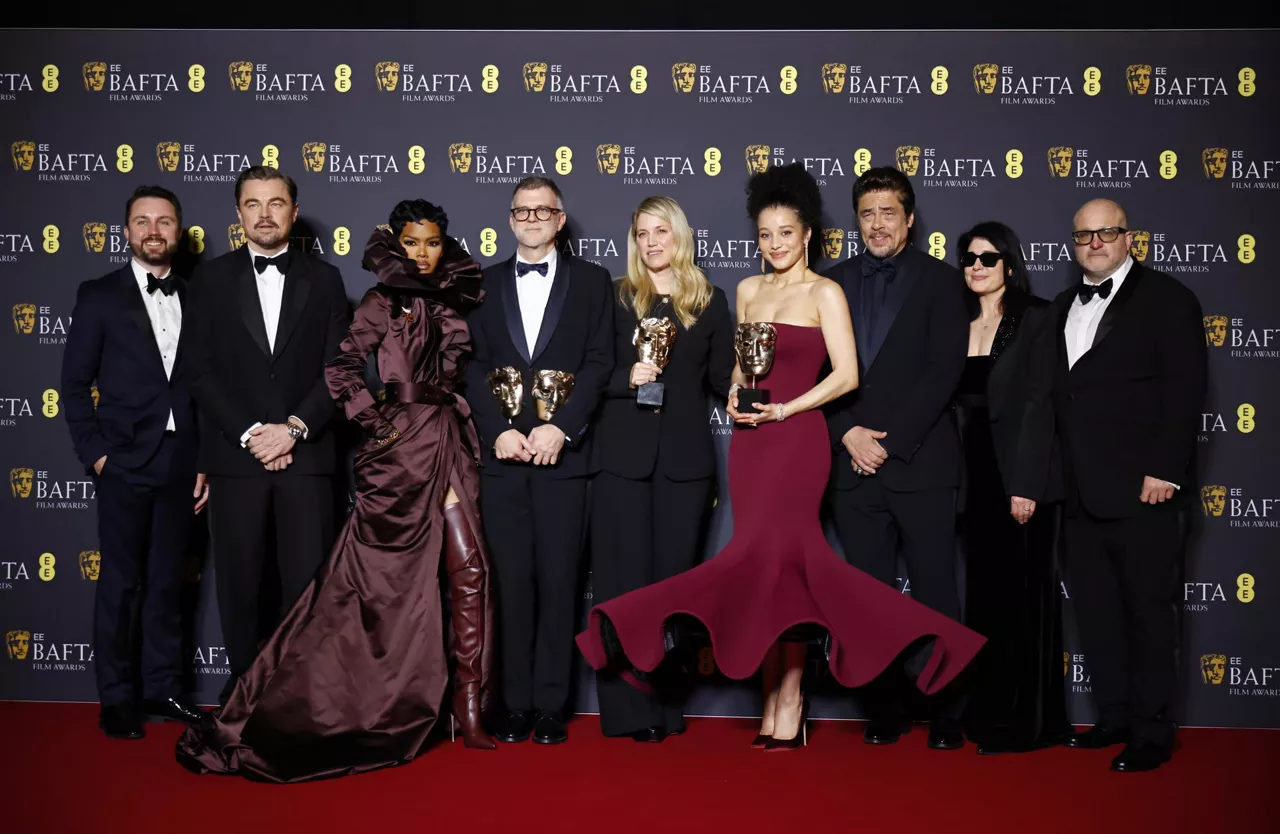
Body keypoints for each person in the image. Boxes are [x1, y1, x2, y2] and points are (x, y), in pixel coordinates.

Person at [576, 163, 985, 751]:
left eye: (786, 233)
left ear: (807, 234)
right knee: (758, 573)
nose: (775, 244)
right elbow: (744, 370)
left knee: (794, 574)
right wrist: (743, 400)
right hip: (752, 443)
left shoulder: (826, 291)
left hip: (796, 442)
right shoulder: (746, 290)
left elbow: (846, 376)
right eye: (766, 234)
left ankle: (794, 699)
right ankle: (770, 697)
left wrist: (788, 409)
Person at [176, 200, 497, 781]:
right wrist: (379, 422)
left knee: (469, 569)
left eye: (432, 242)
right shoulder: (379, 301)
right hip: (398, 455)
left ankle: (469, 709)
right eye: (412, 242)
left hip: (450, 441)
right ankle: (370, 700)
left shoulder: (456, 297)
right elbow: (342, 369)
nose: (422, 252)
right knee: (386, 587)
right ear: (395, 244)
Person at [183, 166, 350, 704]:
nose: (264, 214)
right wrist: (255, 433)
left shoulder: (325, 280)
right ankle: (244, 693)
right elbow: (199, 371)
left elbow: (339, 369)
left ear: (293, 212)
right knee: (239, 582)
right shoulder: (209, 279)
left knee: (307, 584)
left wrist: (294, 430)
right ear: (238, 214)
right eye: (252, 204)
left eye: (275, 203)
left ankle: (298, 695)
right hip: (239, 459)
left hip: (307, 458)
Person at [1053, 198, 1206, 772]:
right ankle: (1114, 716)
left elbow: (1187, 390)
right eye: (1084, 236)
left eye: (1106, 233)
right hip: (1079, 493)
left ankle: (1152, 732)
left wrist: (1165, 468)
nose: (1095, 243)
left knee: (1147, 612)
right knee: (1097, 612)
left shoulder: (1169, 299)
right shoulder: (1065, 305)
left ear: (1128, 238)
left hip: (1146, 492)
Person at [822, 166, 971, 750]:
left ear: (909, 219)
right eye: (867, 214)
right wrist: (848, 433)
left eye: (889, 212)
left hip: (921, 463)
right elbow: (813, 376)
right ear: (855, 220)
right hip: (852, 469)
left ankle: (947, 711)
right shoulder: (828, 284)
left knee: (937, 590)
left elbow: (944, 373)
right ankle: (884, 707)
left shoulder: (943, 282)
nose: (877, 224)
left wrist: (886, 441)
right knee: (869, 594)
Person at [465, 176, 614, 745]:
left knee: (560, 582)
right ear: (510, 219)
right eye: (521, 211)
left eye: (542, 210)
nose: (531, 219)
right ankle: (514, 701)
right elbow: (469, 366)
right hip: (503, 459)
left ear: (559, 220)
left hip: (565, 459)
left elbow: (600, 363)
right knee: (509, 583)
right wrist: (498, 430)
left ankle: (552, 704)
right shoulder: (480, 283)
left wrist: (562, 428)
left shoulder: (594, 282)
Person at [60, 185, 211, 739]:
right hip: (122, 462)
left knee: (169, 582)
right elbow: (74, 386)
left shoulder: (198, 296)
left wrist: (206, 461)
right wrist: (97, 455)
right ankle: (117, 698)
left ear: (179, 231)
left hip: (184, 462)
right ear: (126, 232)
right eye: (143, 221)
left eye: (164, 221)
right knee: (121, 584)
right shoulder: (99, 295)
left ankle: (163, 688)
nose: (154, 230)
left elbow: (207, 388)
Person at [587, 196, 734, 742]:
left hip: (684, 467)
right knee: (624, 588)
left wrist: (766, 392)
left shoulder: (711, 301)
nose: (651, 242)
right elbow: (590, 373)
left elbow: (723, 379)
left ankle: (665, 707)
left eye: (661, 232)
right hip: (622, 463)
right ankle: (627, 712)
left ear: (679, 236)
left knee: (671, 591)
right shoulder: (616, 297)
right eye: (642, 233)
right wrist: (628, 374)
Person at [953, 221, 1071, 754]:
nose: (976, 266)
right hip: (971, 478)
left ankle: (1027, 722)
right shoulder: (957, 319)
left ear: (1010, 264)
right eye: (969, 258)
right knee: (984, 599)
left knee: (1023, 601)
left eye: (988, 258)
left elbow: (1040, 404)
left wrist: (1025, 485)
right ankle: (987, 714)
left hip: (1020, 477)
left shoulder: (1037, 317)